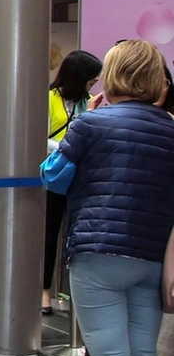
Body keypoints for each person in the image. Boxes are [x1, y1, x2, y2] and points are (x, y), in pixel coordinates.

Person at [50, 39, 174, 356]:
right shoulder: (172, 128)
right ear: (158, 81)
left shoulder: (91, 123)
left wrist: (87, 121)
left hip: (99, 252)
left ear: (111, 78)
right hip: (153, 257)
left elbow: (54, 176)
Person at [43, 51, 102, 315]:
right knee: (49, 233)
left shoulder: (91, 103)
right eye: (91, 79)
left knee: (76, 235)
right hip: (55, 175)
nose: (94, 84)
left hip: (81, 177)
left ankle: (74, 291)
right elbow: (38, 135)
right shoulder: (48, 99)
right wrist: (67, 149)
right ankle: (44, 290)